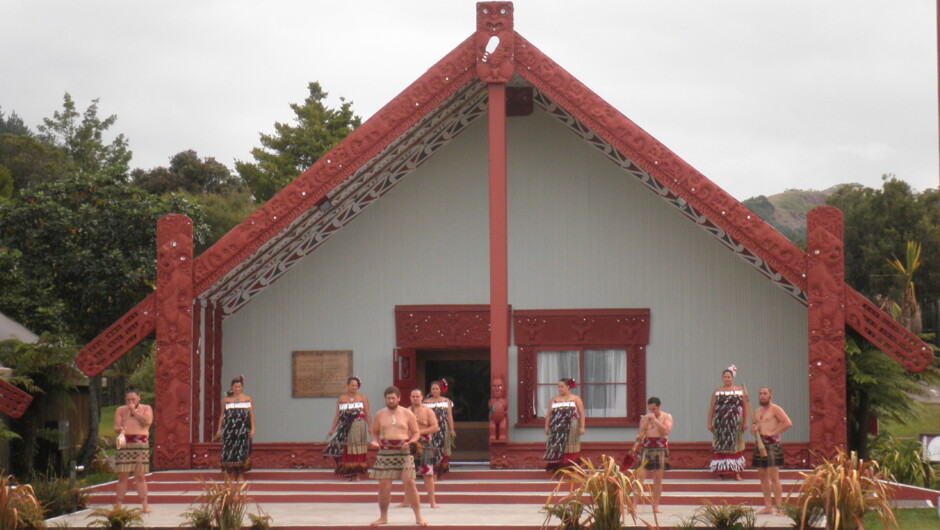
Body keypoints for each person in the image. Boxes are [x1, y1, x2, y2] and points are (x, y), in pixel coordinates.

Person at [368, 386, 428, 527]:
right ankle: (383, 517)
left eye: (393, 398)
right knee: (384, 486)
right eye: (388, 398)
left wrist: (411, 442)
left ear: (399, 398)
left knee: (410, 483)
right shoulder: (380, 414)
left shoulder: (407, 414)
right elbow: (374, 432)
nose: (391, 400)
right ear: (385, 399)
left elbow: (416, 433)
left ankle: (418, 516)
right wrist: (375, 442)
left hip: (404, 452)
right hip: (385, 452)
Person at [751, 386, 793, 515]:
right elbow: (755, 429)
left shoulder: (775, 409)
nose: (762, 396)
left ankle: (780, 507)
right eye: (760, 393)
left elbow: (787, 423)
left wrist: (773, 432)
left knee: (774, 476)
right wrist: (753, 430)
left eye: (765, 393)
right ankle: (768, 506)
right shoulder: (757, 411)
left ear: (770, 395)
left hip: (772, 444)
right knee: (762, 475)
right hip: (760, 444)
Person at [113, 388, 153, 513]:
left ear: (139, 398)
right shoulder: (120, 410)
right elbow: (116, 426)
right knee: (123, 475)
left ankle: (145, 506)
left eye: (133, 399)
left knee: (140, 475)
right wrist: (121, 428)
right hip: (125, 443)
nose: (130, 401)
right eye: (128, 399)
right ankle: (118, 505)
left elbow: (147, 422)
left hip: (140, 444)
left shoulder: (146, 408)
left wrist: (134, 412)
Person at [707, 366, 751, 480]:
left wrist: (746, 421)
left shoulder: (740, 391)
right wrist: (709, 422)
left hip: (735, 423)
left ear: (732, 378)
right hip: (720, 424)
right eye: (725, 377)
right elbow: (712, 407)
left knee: (736, 446)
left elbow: (745, 407)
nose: (727, 379)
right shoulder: (717, 391)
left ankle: (736, 473)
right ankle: (720, 473)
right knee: (719, 447)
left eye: (729, 377)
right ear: (722, 378)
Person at [324, 376, 371, 480]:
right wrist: (332, 429)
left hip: (359, 426)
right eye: (352, 385)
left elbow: (367, 413)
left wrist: (370, 427)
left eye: (356, 386)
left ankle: (356, 473)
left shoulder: (362, 397)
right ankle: (347, 472)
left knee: (357, 449)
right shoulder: (342, 398)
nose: (354, 387)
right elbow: (337, 415)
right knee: (346, 449)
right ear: (348, 386)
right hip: (345, 428)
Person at [401, 388, 440, 508]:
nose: (415, 398)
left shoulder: (428, 411)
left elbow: (435, 427)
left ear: (422, 397)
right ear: (410, 397)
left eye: (417, 396)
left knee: (428, 473)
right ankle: (406, 501)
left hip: (425, 444)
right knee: (408, 473)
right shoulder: (405, 411)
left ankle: (432, 502)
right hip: (410, 443)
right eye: (413, 396)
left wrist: (419, 432)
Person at [634, 397, 673, 514]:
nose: (652, 411)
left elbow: (666, 431)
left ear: (659, 407)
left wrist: (655, 420)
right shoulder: (645, 418)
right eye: (650, 409)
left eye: (654, 409)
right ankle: (634, 505)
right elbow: (641, 434)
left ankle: (655, 506)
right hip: (646, 448)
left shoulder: (667, 417)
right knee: (639, 477)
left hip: (660, 448)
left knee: (657, 478)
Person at [215, 375, 255, 478]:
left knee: (241, 451)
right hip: (229, 431)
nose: (237, 389)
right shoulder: (227, 400)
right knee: (229, 451)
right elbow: (222, 415)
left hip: (242, 430)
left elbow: (251, 415)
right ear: (232, 388)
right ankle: (230, 474)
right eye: (235, 387)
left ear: (242, 387)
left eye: (239, 387)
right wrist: (219, 429)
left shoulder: (247, 399)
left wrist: (253, 429)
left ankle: (240, 474)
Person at [543, 378, 586, 471]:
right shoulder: (554, 399)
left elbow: (582, 414)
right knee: (557, 446)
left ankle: (569, 464)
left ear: (568, 387)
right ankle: (557, 465)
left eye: (562, 387)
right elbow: (548, 415)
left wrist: (582, 427)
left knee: (570, 445)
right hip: (556, 427)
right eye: (558, 387)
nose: (560, 389)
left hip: (571, 425)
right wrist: (546, 426)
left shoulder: (575, 399)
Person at [423, 379, 455, 477]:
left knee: (444, 446)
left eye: (437, 389)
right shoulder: (425, 402)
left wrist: (452, 429)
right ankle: (433, 469)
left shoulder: (446, 401)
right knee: (432, 447)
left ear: (440, 390)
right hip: (431, 429)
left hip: (443, 428)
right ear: (430, 390)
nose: (435, 390)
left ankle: (442, 468)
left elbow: (449, 415)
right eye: (433, 389)